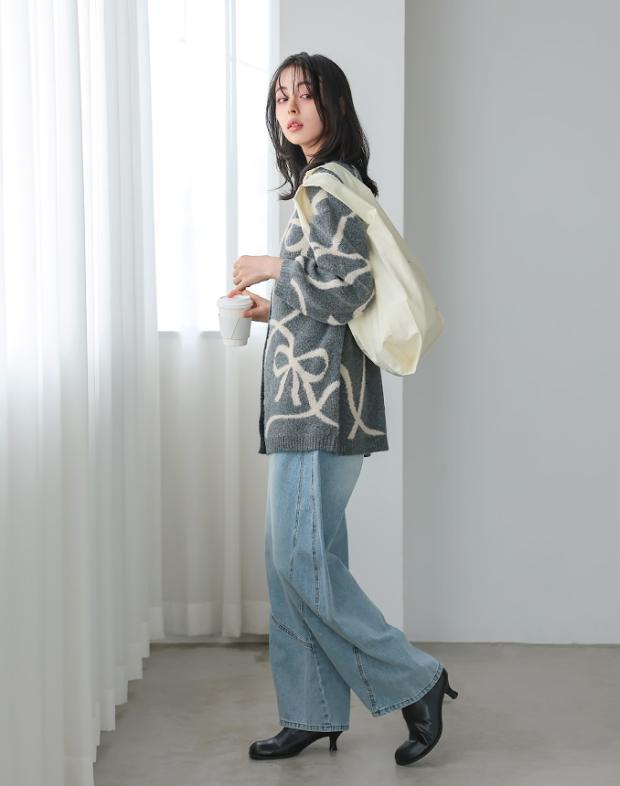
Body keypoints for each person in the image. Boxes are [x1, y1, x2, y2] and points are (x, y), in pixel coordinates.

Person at [226, 52, 458, 767]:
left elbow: (349, 286)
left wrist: (273, 267)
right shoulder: (316, 186)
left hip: (323, 408)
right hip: (308, 401)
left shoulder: (330, 187)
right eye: (281, 98)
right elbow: (324, 298)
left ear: (335, 105)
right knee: (298, 562)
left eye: (306, 94)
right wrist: (271, 309)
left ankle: (415, 679)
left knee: (299, 559)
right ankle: (311, 711)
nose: (291, 108)